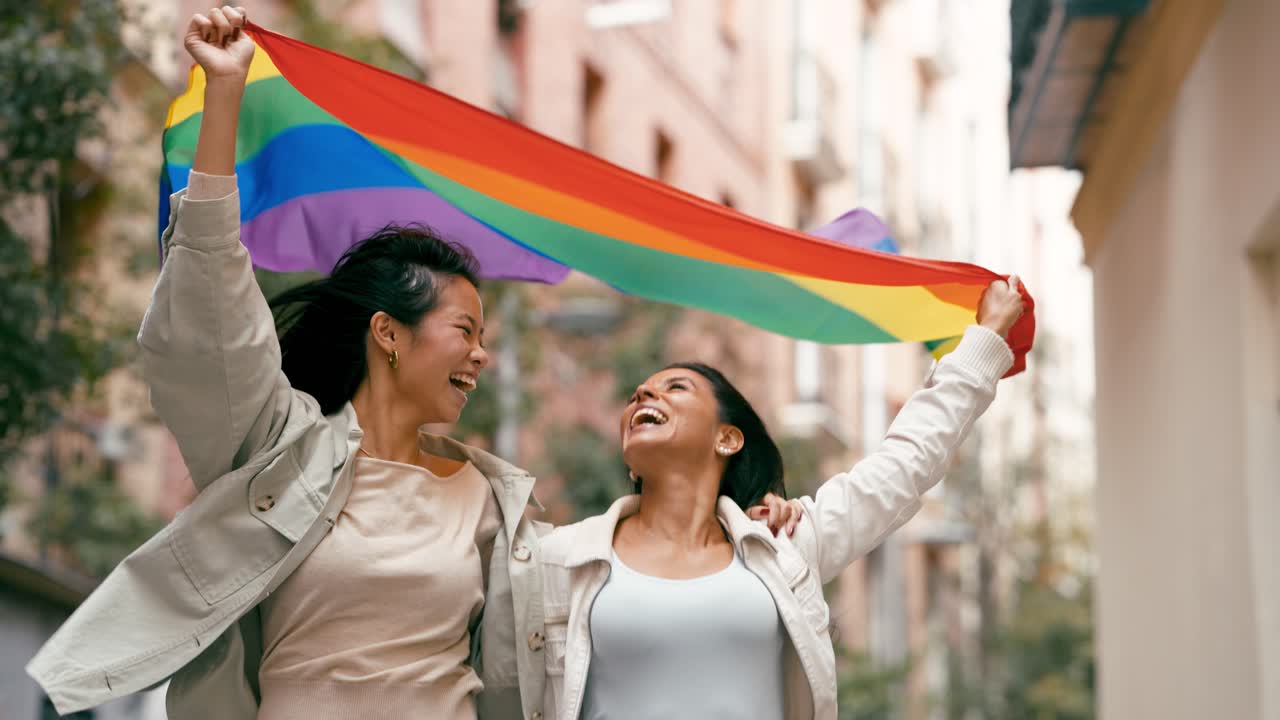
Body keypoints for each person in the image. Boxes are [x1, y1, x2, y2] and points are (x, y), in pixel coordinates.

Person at [27, 8, 799, 718]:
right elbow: (211, 306)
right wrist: (225, 98)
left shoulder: (497, 504)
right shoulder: (279, 449)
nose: (481, 354)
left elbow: (625, 570)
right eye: (464, 329)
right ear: (389, 334)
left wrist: (745, 528)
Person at [537, 279, 1025, 719]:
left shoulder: (782, 546)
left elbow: (901, 468)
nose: (644, 395)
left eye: (675, 388)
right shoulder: (559, 558)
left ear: (727, 439)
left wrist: (984, 340)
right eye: (637, 396)